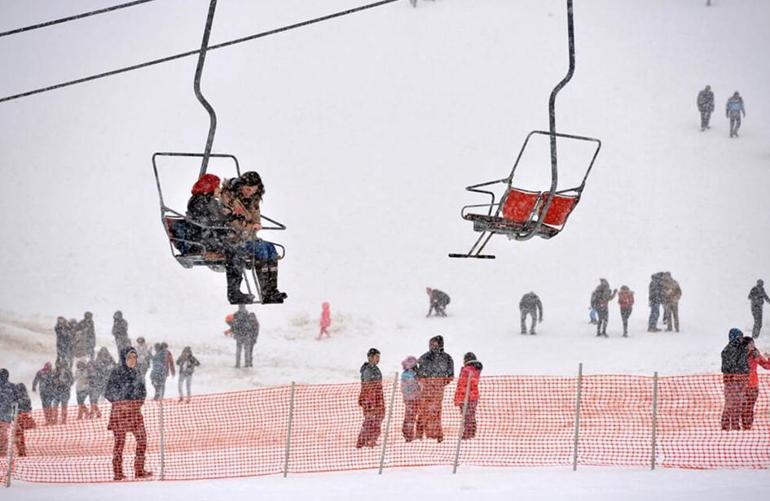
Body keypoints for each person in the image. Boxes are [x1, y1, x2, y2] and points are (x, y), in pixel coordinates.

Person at [220, 171, 287, 304]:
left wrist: (253, 224)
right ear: (241, 185)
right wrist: (251, 226)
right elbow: (231, 221)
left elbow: (256, 218)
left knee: (271, 249)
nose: (249, 193)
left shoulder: (253, 199)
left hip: (247, 236)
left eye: (253, 190)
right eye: (248, 189)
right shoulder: (228, 196)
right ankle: (265, 292)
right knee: (261, 250)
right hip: (233, 238)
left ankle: (272, 289)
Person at [105, 346, 152, 481]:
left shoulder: (137, 373)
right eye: (130, 357)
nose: (133, 360)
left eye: (135, 357)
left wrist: (137, 403)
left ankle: (139, 470)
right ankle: (118, 472)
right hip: (119, 413)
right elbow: (109, 393)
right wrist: (122, 403)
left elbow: (143, 392)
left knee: (142, 440)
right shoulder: (116, 373)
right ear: (124, 358)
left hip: (135, 413)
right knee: (120, 443)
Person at [416, 335, 454, 442]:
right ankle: (419, 435)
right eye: (431, 343)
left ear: (440, 344)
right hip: (426, 388)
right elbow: (419, 373)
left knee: (435, 411)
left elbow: (450, 375)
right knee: (423, 410)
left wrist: (440, 383)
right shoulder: (425, 357)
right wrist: (425, 380)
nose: (432, 346)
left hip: (438, 389)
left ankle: (435, 435)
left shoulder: (447, 358)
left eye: (435, 343)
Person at [720, 328, 749, 431]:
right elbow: (725, 368)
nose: (742, 339)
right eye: (740, 337)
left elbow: (744, 365)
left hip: (740, 382)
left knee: (738, 404)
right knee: (730, 404)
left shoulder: (742, 350)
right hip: (730, 382)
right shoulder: (726, 351)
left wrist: (745, 372)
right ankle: (725, 425)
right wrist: (737, 372)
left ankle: (735, 425)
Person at [356, 348, 384, 448]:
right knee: (370, 420)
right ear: (370, 357)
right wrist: (371, 401)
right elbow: (368, 388)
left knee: (378, 418)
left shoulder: (375, 368)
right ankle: (362, 441)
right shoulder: (368, 370)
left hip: (377, 397)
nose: (378, 359)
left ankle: (372, 439)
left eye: (379, 357)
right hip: (370, 399)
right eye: (376, 357)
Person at [740, 337, 770, 431]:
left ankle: (747, 426)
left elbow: (766, 366)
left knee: (749, 407)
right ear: (745, 345)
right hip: (742, 386)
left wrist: (769, 358)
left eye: (753, 343)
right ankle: (744, 425)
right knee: (744, 406)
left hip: (754, 385)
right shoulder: (739, 355)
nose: (752, 345)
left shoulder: (755, 353)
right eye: (750, 344)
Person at [454, 352, 483, 440]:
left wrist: (458, 397)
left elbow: (462, 384)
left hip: (466, 396)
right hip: (471, 396)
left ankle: (468, 433)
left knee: (467, 416)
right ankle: (470, 432)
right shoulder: (476, 369)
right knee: (469, 415)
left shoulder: (467, 370)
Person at [91, 347, 117, 415]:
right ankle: (95, 411)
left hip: (108, 380)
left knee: (111, 395)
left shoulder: (110, 359)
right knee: (95, 397)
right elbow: (96, 368)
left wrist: (110, 367)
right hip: (100, 380)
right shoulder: (98, 360)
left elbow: (115, 366)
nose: (103, 354)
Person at [400, 356, 420, 442]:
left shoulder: (405, 374)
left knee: (410, 416)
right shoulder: (410, 375)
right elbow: (414, 385)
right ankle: (408, 434)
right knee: (410, 417)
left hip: (410, 398)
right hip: (412, 399)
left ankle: (408, 433)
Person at [13, 383, 35, 457]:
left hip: (17, 418)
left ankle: (21, 451)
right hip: (24, 417)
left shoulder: (15, 398)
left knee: (18, 435)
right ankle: (22, 450)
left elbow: (13, 408)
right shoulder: (27, 398)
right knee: (20, 435)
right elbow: (29, 408)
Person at [51, 359, 74, 425]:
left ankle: (63, 420)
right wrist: (55, 381)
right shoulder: (56, 372)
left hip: (65, 391)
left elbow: (71, 381)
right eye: (60, 365)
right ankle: (55, 419)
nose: (61, 366)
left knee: (64, 406)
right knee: (55, 406)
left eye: (63, 365)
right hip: (57, 391)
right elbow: (52, 380)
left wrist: (64, 383)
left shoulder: (68, 372)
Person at [0, 369, 16, 456]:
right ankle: (3, 451)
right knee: (3, 434)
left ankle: (2, 451)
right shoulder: (12, 386)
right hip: (6, 415)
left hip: (4, 415)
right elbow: (15, 401)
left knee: (2, 434)